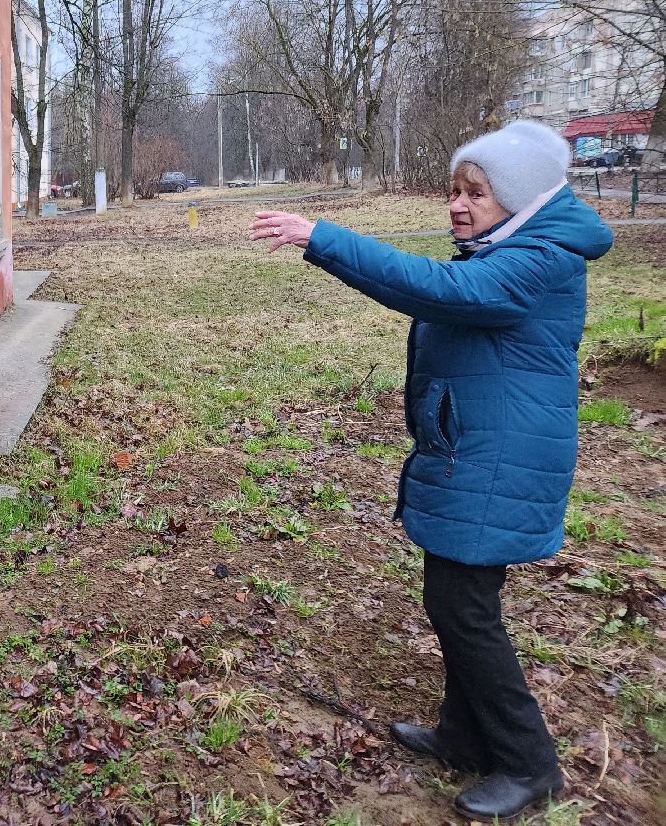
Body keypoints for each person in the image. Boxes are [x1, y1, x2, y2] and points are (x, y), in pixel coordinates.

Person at [249, 121, 613, 820]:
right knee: (455, 602)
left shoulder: (540, 259)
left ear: (519, 198)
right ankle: (464, 736)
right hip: (478, 451)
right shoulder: (512, 246)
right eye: (454, 190)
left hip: (501, 461)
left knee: (465, 611)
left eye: (476, 193)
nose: (457, 205)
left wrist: (320, 237)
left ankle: (529, 763)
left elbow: (441, 289)